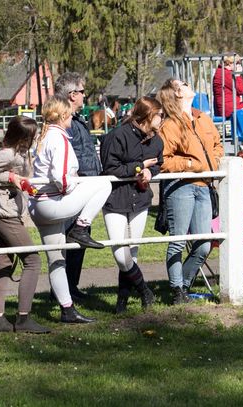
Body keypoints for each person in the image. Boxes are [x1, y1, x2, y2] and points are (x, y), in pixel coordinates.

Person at [29, 96, 112, 323]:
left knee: (56, 258)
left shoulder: (45, 135)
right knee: (104, 183)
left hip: (39, 204)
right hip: (52, 203)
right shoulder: (59, 137)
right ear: (64, 116)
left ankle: (67, 309)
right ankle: (81, 227)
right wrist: (73, 186)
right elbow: (61, 178)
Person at [0, 116, 50, 334]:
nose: (35, 138)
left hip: (9, 212)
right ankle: (24, 317)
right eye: (33, 135)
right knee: (33, 260)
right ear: (23, 136)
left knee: (4, 263)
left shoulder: (20, 153)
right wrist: (8, 177)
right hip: (5, 215)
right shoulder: (7, 154)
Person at [157, 79, 224, 304]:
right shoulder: (170, 125)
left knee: (204, 244)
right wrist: (189, 164)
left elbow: (217, 144)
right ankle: (177, 291)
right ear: (177, 94)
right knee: (178, 240)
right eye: (183, 84)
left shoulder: (202, 117)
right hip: (181, 187)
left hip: (205, 186)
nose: (188, 85)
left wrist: (214, 161)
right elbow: (164, 160)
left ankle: (183, 285)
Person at [100, 96, 164, 313]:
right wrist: (138, 167)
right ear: (148, 115)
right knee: (120, 253)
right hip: (116, 198)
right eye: (159, 115)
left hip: (141, 198)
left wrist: (150, 171)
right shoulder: (118, 136)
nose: (162, 119)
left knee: (132, 253)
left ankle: (122, 302)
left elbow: (158, 163)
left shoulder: (156, 140)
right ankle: (145, 290)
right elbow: (110, 167)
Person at [54, 72, 102, 301]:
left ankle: (71, 287)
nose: (84, 95)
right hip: (75, 189)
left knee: (79, 239)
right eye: (82, 91)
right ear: (72, 94)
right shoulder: (64, 121)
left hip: (86, 187)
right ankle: (62, 291)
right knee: (68, 240)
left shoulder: (77, 119)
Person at [213, 53, 243, 119]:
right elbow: (241, 90)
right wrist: (238, 75)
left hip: (230, 107)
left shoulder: (222, 72)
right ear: (230, 63)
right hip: (230, 110)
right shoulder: (226, 74)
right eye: (237, 63)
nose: (239, 65)